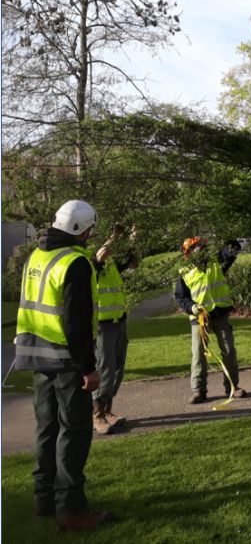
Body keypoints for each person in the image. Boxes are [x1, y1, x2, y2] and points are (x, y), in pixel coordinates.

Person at [14, 200, 115, 530]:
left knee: (46, 429)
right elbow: (76, 323)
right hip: (67, 363)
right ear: (81, 230)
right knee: (73, 433)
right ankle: (71, 510)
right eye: (89, 230)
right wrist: (89, 368)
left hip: (36, 358)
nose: (89, 236)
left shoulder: (36, 256)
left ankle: (44, 499)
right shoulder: (75, 262)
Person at [174, 237, 245, 403]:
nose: (199, 249)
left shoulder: (218, 262)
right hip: (199, 318)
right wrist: (192, 307)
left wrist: (224, 233)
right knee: (198, 354)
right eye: (194, 248)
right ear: (188, 252)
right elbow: (180, 297)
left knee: (229, 351)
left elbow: (233, 248)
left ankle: (233, 387)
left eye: (200, 246)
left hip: (220, 313)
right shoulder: (185, 271)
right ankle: (199, 390)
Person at [91, 223, 139, 435]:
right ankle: (97, 415)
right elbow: (102, 254)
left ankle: (108, 410)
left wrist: (133, 237)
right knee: (106, 370)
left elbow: (129, 261)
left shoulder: (110, 267)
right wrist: (115, 235)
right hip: (103, 326)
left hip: (119, 322)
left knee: (118, 369)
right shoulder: (92, 267)